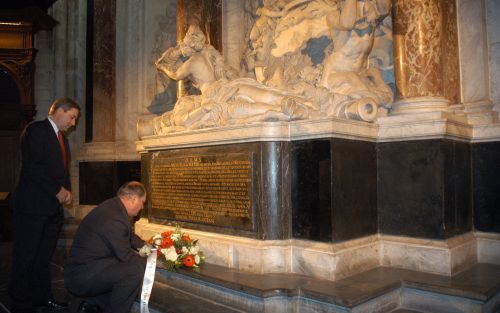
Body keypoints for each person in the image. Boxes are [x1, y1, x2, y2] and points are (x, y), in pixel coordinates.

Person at [9, 97, 80, 313]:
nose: (73, 123)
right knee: (25, 257)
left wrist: (67, 191)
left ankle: (42, 298)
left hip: (51, 210)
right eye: (72, 117)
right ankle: (20, 304)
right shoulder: (36, 130)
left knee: (43, 258)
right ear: (59, 110)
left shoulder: (62, 139)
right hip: (31, 208)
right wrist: (58, 191)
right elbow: (34, 167)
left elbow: (61, 171)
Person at [64, 181, 150, 313]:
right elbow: (125, 255)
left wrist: (147, 246)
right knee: (134, 270)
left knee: (122, 268)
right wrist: (151, 264)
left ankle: (91, 304)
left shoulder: (113, 208)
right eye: (142, 202)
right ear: (134, 199)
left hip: (90, 268)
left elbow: (128, 236)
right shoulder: (115, 217)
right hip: (81, 277)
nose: (142, 207)